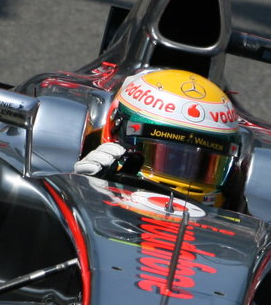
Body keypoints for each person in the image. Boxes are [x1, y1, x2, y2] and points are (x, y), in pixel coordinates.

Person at [75, 68, 241, 206]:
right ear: (114, 129)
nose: (179, 171)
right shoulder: (82, 176)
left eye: (203, 165)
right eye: (163, 155)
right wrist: (84, 188)